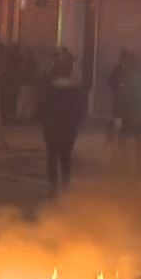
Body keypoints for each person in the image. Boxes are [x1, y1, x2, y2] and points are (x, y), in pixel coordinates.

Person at [38, 47, 85, 197]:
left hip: (52, 128)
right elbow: (80, 111)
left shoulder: (49, 89)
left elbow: (42, 108)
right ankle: (65, 185)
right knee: (66, 157)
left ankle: (53, 186)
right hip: (68, 130)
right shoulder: (75, 91)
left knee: (52, 156)